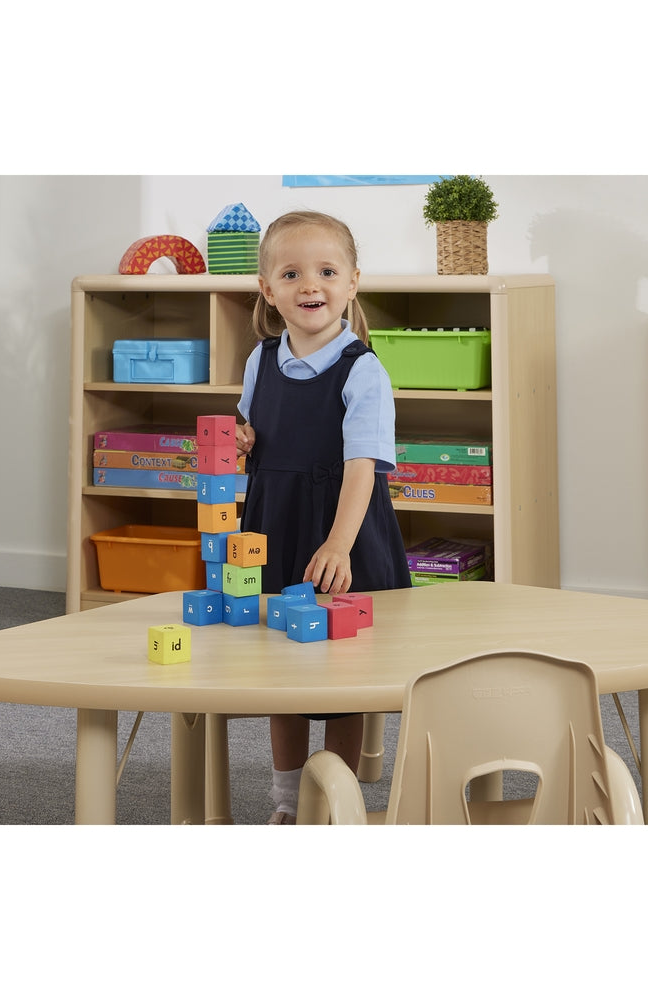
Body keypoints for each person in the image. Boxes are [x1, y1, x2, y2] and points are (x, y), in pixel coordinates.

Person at [235, 210, 411, 824]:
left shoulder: (364, 370)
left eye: (327, 272)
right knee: (280, 667)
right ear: (268, 290)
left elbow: (363, 467)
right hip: (275, 524)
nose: (310, 285)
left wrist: (338, 544)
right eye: (291, 274)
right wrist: (243, 438)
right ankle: (288, 799)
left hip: (341, 529)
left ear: (352, 282)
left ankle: (337, 801)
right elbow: (254, 426)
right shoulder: (260, 359)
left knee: (341, 672)